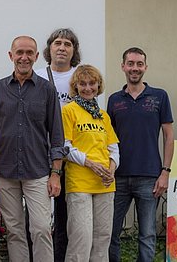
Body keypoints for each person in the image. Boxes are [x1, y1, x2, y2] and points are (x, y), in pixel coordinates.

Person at [0, 36, 66, 262]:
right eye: (19, 52)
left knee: (41, 229)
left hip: (38, 170)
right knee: (14, 231)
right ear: (10, 56)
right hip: (3, 172)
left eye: (29, 53)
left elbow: (57, 135)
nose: (24, 57)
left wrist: (55, 173)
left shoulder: (47, 90)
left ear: (37, 57)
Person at [107, 47, 174, 262]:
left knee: (147, 235)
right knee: (111, 233)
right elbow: (108, 139)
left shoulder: (159, 96)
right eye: (130, 63)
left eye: (139, 64)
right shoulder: (114, 100)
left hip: (149, 176)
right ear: (123, 66)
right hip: (118, 176)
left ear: (145, 67)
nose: (134, 68)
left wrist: (165, 171)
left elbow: (168, 136)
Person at [62, 64, 119, 261]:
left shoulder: (103, 115)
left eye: (92, 83)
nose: (88, 88)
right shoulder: (69, 110)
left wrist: (111, 169)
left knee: (102, 239)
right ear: (75, 86)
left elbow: (114, 148)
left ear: (98, 85)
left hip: (105, 183)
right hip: (80, 183)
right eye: (82, 84)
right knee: (81, 239)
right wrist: (91, 164)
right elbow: (65, 147)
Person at [34, 28, 81, 261]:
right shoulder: (38, 76)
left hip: (72, 156)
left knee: (64, 214)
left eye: (68, 44)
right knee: (38, 215)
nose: (62, 48)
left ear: (74, 51)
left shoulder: (80, 77)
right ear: (49, 49)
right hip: (42, 153)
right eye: (58, 43)